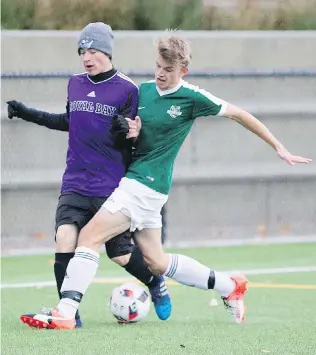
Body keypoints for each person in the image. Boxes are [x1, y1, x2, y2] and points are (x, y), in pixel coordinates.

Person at [22, 32, 312, 330]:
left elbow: (239, 114)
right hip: (140, 184)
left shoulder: (192, 97)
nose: (160, 74)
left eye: (168, 70)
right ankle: (229, 286)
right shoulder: (142, 92)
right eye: (158, 66)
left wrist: (279, 147)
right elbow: (129, 131)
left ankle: (66, 312)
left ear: (183, 71)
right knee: (157, 263)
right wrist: (131, 131)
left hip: (144, 186)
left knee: (88, 238)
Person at [10, 22, 171, 329]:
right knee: (64, 238)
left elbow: (140, 135)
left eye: (93, 50)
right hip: (75, 181)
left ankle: (155, 282)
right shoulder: (75, 83)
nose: (87, 56)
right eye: (83, 51)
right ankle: (69, 314)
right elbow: (69, 121)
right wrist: (27, 112)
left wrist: (130, 132)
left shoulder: (128, 89)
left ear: (107, 52)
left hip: (110, 186)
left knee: (121, 255)